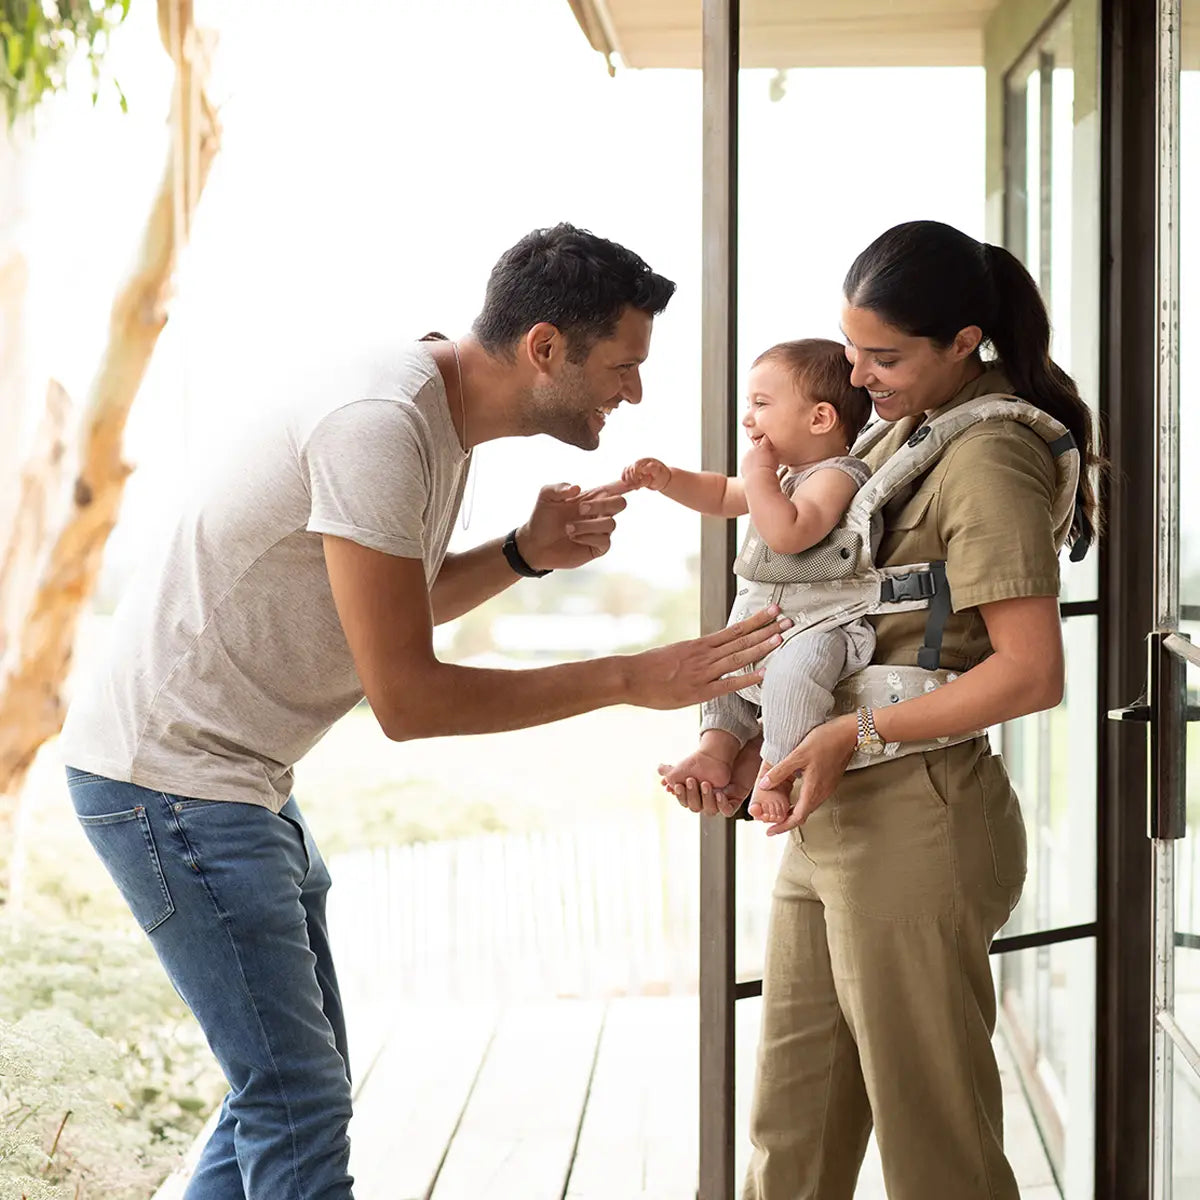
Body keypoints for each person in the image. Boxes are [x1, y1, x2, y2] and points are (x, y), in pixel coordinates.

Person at [57, 223, 788, 1200]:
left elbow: (390, 605)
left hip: (234, 781)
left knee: (276, 1099)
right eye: (622, 365)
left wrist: (524, 555)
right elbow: (406, 699)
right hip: (171, 782)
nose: (635, 392)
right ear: (543, 349)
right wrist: (625, 677)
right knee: (294, 1106)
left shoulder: (434, 418)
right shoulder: (379, 424)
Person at [667, 220, 1100, 1200]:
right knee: (791, 1129)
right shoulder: (897, 433)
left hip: (919, 815)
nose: (858, 377)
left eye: (886, 356)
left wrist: (845, 732)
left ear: (963, 342)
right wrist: (738, 736)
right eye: (851, 348)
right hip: (832, 809)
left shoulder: (989, 457)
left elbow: (1032, 674)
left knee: (932, 1145)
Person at [617, 338, 873, 823]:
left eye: (761, 404)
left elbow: (789, 534)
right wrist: (669, 478)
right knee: (723, 667)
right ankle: (714, 748)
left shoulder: (836, 475)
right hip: (762, 626)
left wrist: (759, 477)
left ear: (820, 418)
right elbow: (719, 495)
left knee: (796, 678)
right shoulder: (780, 475)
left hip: (816, 630)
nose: (747, 418)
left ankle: (777, 767)